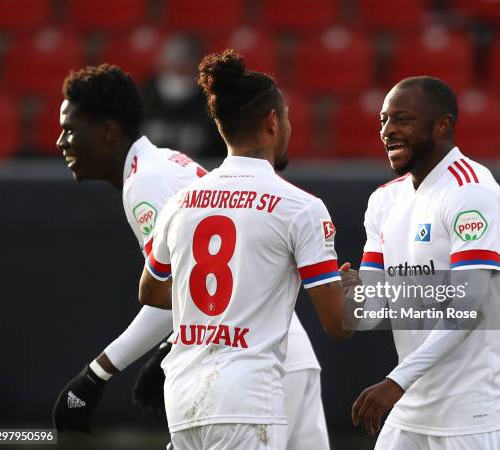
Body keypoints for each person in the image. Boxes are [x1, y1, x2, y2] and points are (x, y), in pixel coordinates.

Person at [51, 63, 337, 450]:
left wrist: (96, 374)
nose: (60, 142)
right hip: (257, 353)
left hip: (255, 361)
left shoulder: (147, 183)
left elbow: (171, 291)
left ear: (105, 132)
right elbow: (198, 285)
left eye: (70, 129)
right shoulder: (162, 165)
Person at [138, 49, 354, 450]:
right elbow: (337, 324)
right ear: (273, 122)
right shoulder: (300, 207)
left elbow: (149, 291)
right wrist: (352, 291)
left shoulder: (181, 201)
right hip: (247, 401)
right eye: (286, 116)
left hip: (182, 397)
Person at [350, 76, 500, 449]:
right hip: (411, 411)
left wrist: (396, 381)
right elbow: (369, 309)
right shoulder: (383, 201)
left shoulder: (470, 190)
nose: (388, 131)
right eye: (383, 120)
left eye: (403, 120)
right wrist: (346, 293)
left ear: (442, 125)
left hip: (479, 414)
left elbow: (467, 306)